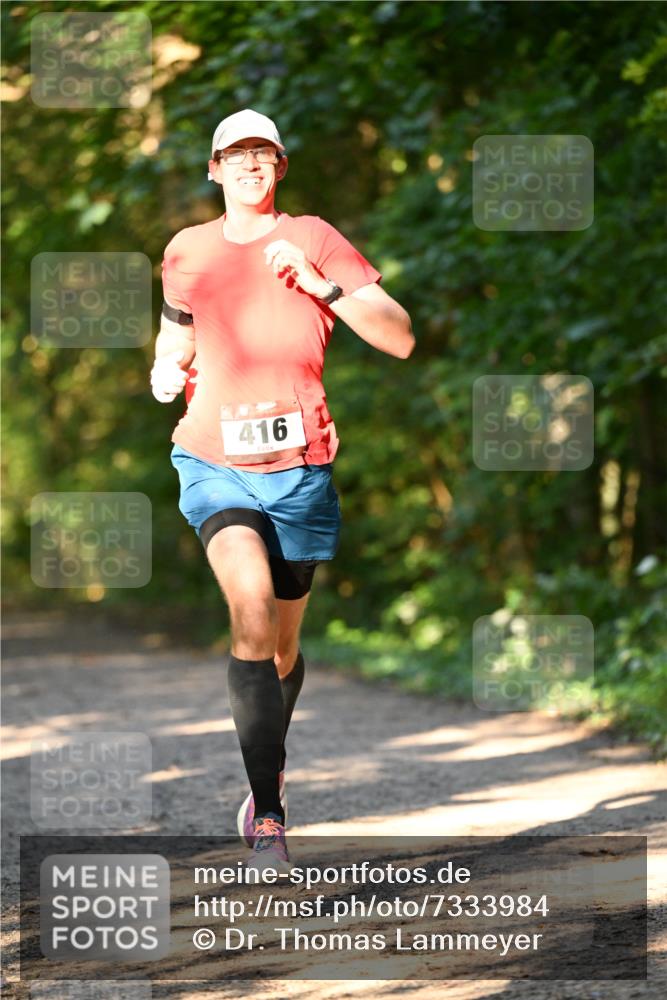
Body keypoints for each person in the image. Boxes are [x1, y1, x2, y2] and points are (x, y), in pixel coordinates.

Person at [151, 109, 414, 872]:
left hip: (301, 473)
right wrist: (166, 367)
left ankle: (269, 757)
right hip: (212, 460)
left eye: (262, 155)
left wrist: (321, 286)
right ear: (213, 169)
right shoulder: (187, 250)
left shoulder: (313, 237)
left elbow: (398, 336)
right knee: (250, 610)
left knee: (283, 645)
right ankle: (268, 816)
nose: (248, 167)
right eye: (234, 157)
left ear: (280, 167)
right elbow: (176, 332)